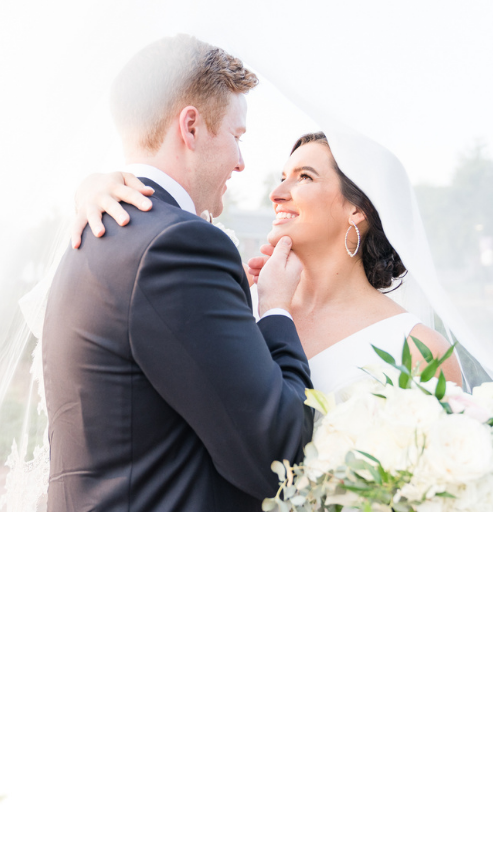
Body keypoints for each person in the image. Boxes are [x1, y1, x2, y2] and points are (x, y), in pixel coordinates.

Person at [41, 34, 313, 512]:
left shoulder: (91, 233)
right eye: (237, 135)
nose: (241, 161)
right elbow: (278, 453)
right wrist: (275, 310)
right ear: (190, 126)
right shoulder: (180, 245)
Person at [75, 132, 462, 400]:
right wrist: (96, 184)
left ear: (357, 208)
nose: (277, 194)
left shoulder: (419, 350)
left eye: (304, 177)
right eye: (281, 178)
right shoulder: (241, 303)